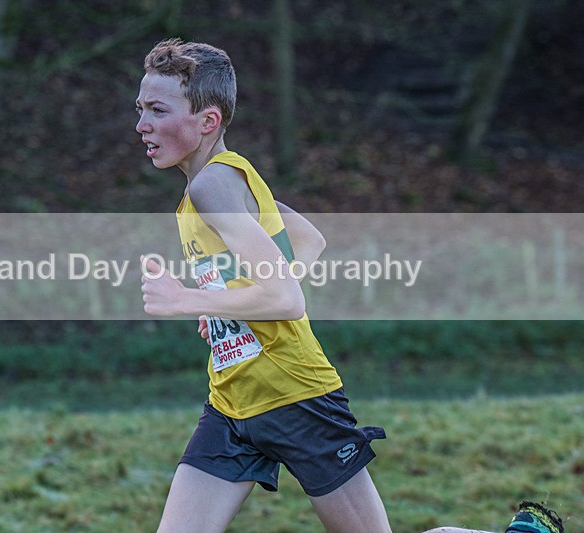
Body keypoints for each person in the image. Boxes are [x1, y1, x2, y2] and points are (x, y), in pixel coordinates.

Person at [136, 37, 392, 533]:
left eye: (157, 110)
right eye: (141, 109)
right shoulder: (223, 183)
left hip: (295, 395)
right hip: (231, 406)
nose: (141, 125)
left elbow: (285, 297)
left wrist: (187, 300)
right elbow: (308, 240)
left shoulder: (212, 185)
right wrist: (227, 309)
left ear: (208, 121)